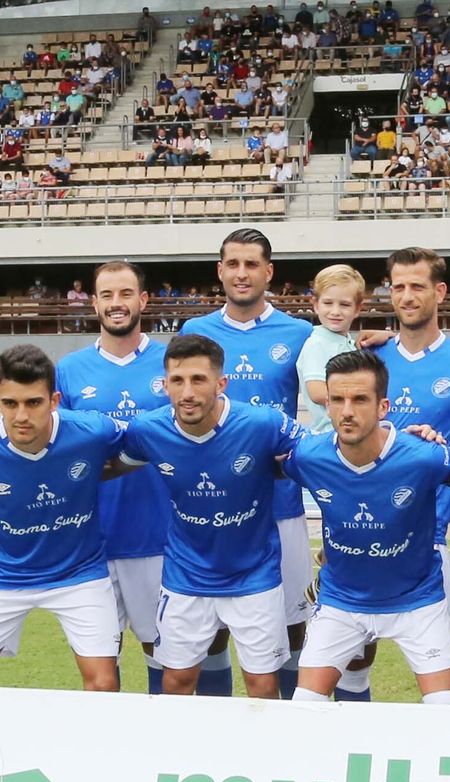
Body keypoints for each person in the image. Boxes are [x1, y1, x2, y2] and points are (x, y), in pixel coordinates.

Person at [113, 334, 304, 699]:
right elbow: (102, 458)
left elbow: (326, 455)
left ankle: (260, 757)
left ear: (221, 383)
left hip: (254, 575)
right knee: (177, 681)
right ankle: (182, 756)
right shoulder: (147, 430)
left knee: (263, 685)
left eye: (198, 380)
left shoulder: (263, 424)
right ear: (164, 384)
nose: (187, 392)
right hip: (187, 574)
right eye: (177, 381)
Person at [0, 345, 127, 692]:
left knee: (103, 685)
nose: (21, 415)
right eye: (10, 403)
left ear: (54, 400)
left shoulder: (92, 431)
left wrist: (102, 473)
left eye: (33, 403)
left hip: (79, 573)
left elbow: (140, 443)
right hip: (3, 575)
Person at [179, 229, 316, 698]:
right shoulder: (193, 333)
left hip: (280, 504)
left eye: (251, 264)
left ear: (268, 272)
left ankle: (289, 728)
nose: (241, 273)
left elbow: (338, 376)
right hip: (213, 503)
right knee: (211, 625)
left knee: (294, 622)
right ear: (219, 271)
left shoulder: (301, 334)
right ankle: (219, 730)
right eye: (232, 264)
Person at [365, 247, 450, 703]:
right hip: (358, 523)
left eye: (417, 286)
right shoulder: (369, 357)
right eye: (398, 286)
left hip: (432, 533)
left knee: (439, 659)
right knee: (352, 652)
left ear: (439, 292)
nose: (406, 296)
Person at [285, 351, 450, 705]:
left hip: (417, 601)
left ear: (383, 407)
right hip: (342, 600)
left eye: (359, 399)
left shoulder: (423, 456)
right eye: (337, 399)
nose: (347, 410)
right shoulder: (307, 456)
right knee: (303, 708)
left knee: (444, 709)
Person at [54, 261, 173, 695]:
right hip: (92, 542)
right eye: (107, 295)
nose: (116, 304)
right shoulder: (69, 370)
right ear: (94, 302)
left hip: (158, 536)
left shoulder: (171, 361)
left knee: (163, 658)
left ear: (143, 300)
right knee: (102, 667)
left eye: (125, 294)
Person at [296, 264, 367, 431]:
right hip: (328, 433)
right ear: (315, 304)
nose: (335, 311)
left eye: (344, 304)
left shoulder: (348, 343)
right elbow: (317, 392)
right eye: (328, 303)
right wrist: (363, 400)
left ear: (357, 309)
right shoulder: (317, 344)